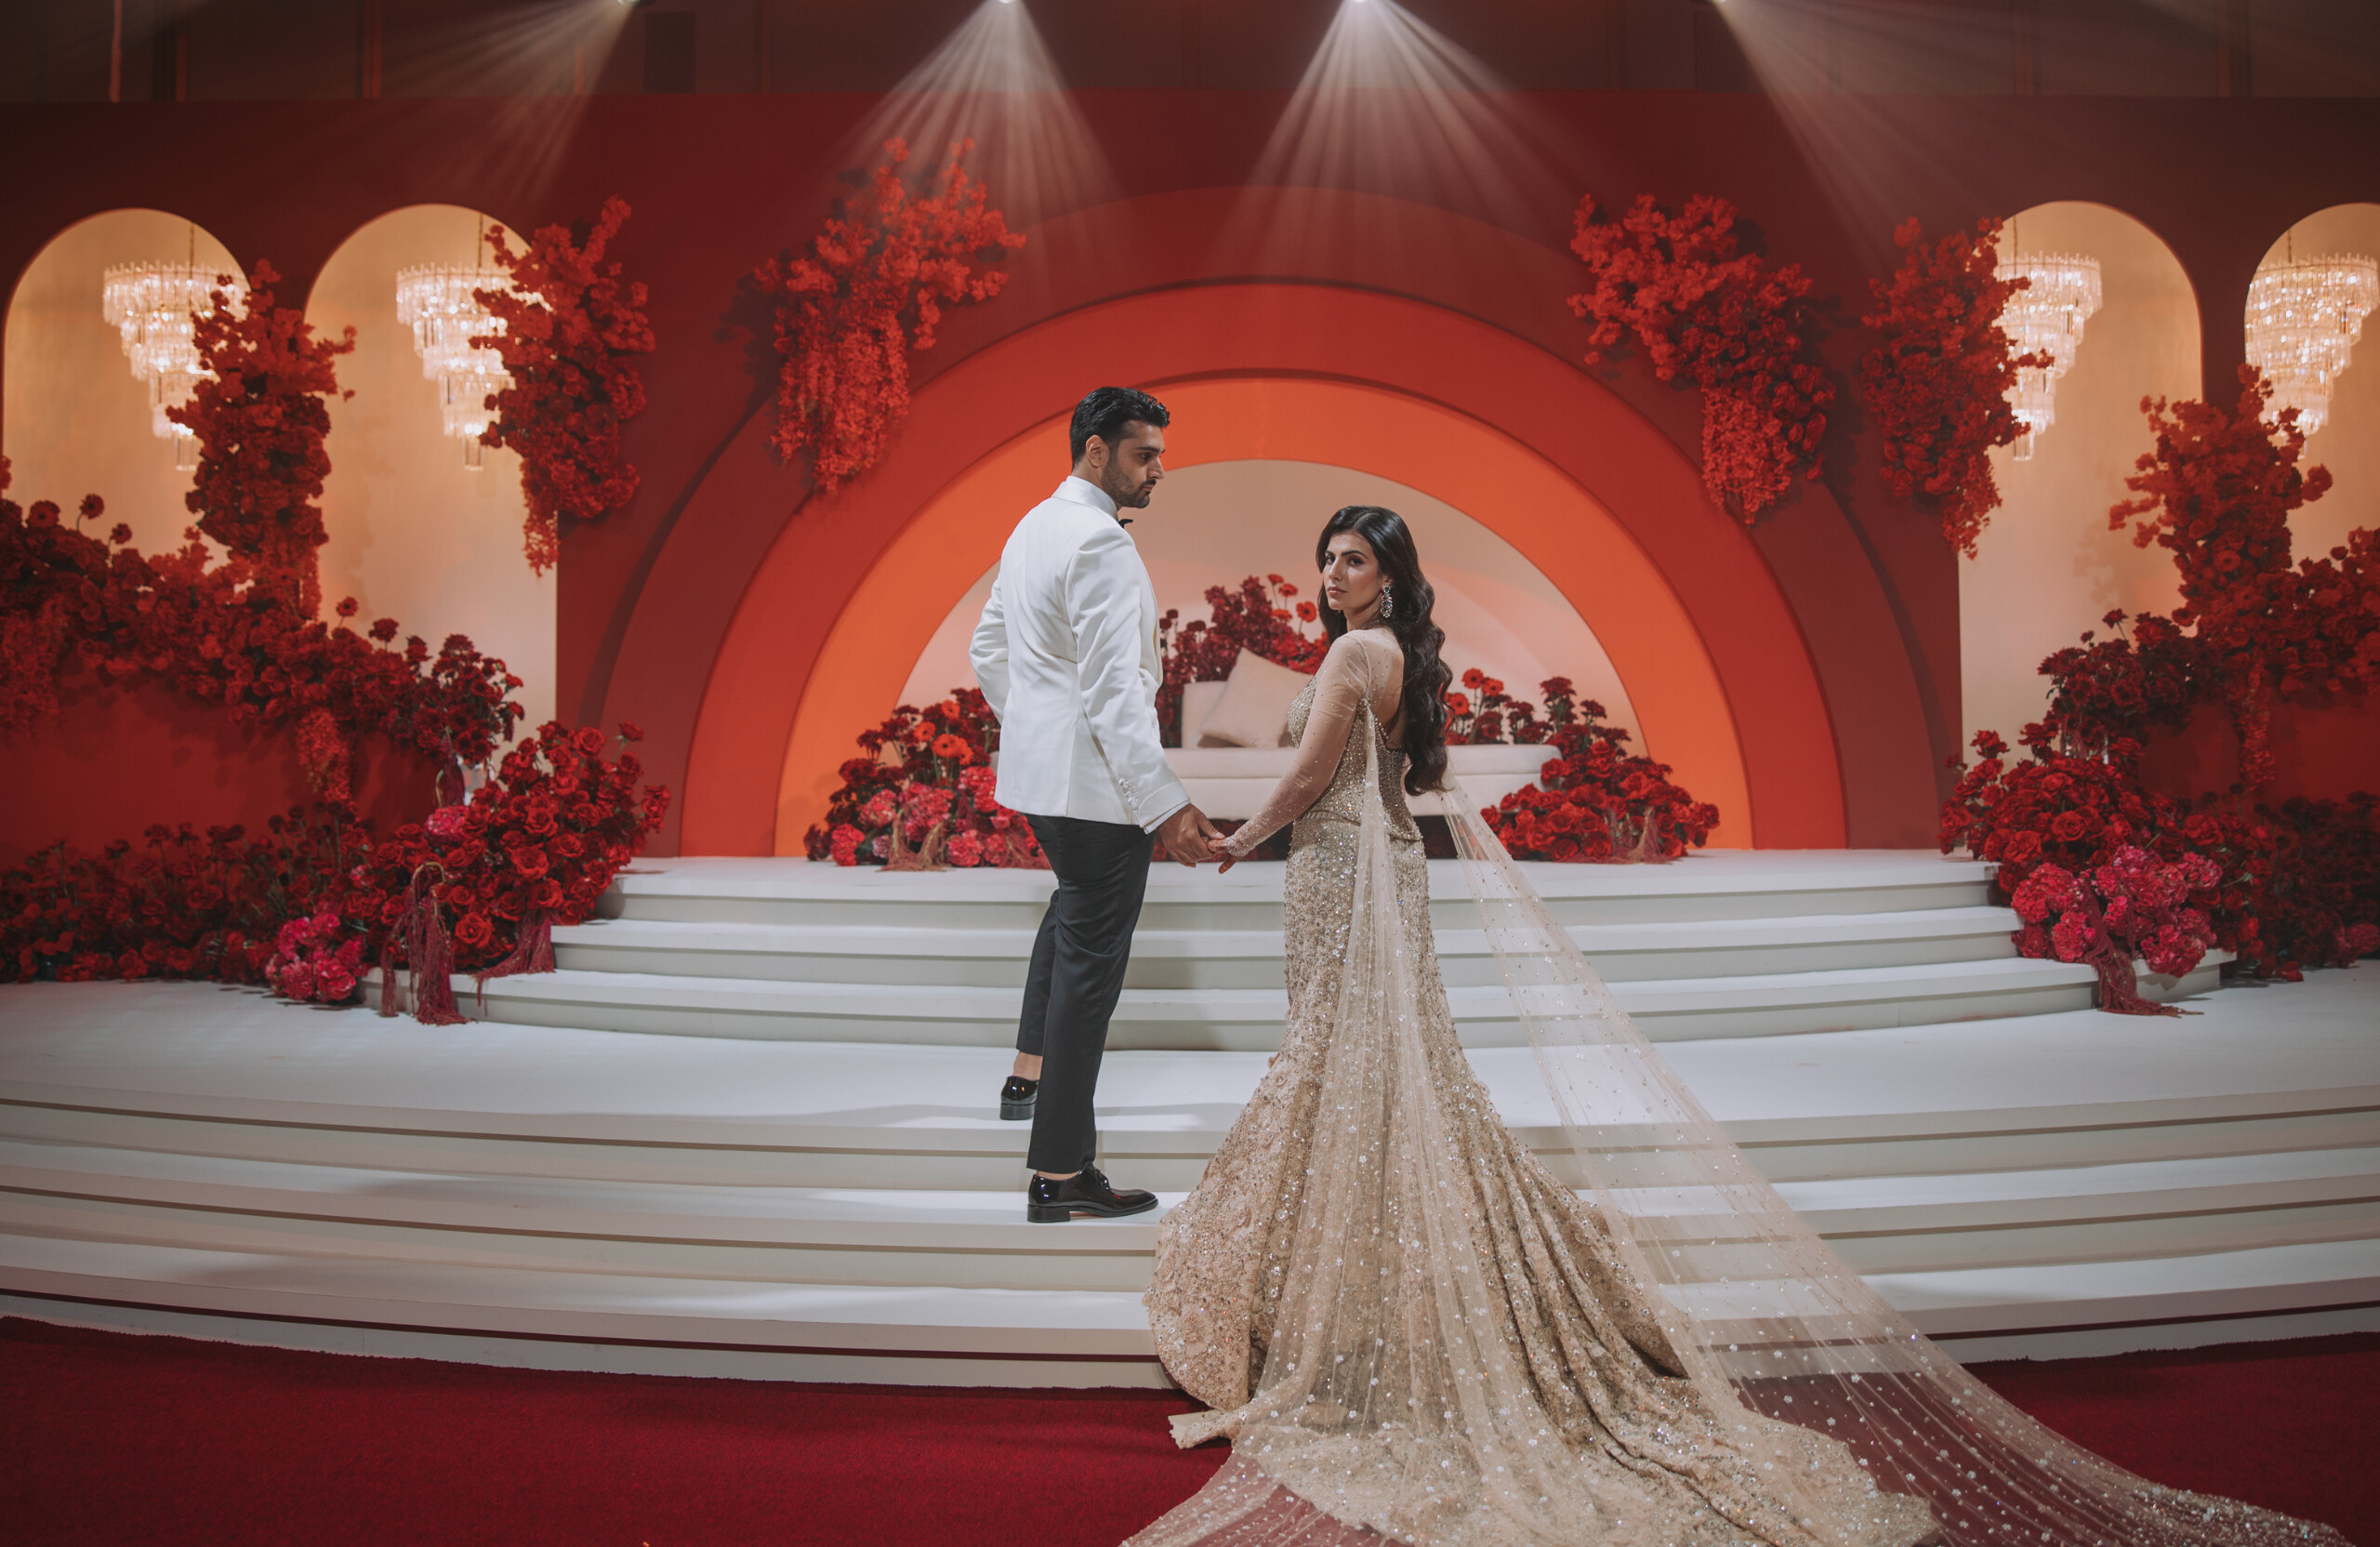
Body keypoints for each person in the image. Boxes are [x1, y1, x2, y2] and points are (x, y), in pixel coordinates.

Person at [1128, 506, 2346, 1547]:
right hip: (1377, 869)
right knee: (1379, 1065)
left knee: (1351, 1058)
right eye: (1327, 557)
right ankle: (1373, 1266)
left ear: (1387, 572)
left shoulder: (1350, 662)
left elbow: (1310, 779)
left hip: (1343, 873)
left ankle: (1359, 1292)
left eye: (1350, 558)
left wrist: (1237, 838)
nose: (1332, 574)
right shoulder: (1395, 654)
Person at [970, 386, 1224, 1224]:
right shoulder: (1102, 545)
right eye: (1144, 454)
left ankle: (1027, 1077)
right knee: (1091, 972)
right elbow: (1117, 694)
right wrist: (1166, 808)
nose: (1159, 469)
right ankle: (1060, 1171)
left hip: (1047, 782)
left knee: (1070, 918)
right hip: (1098, 791)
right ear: (1095, 450)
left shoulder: (1032, 526)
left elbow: (987, 648)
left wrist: (1041, 728)